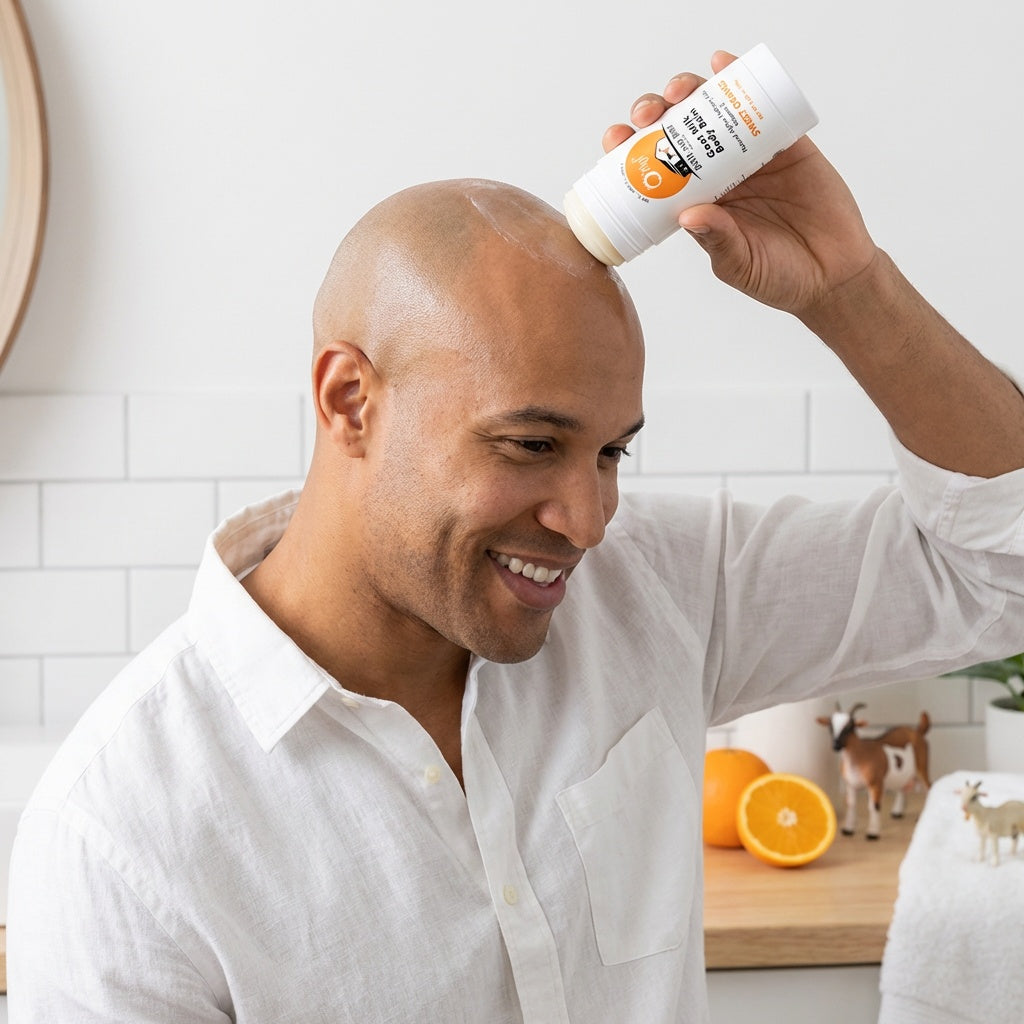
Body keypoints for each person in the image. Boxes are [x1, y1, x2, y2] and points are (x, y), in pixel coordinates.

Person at [7, 52, 1024, 1023]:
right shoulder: (119, 834)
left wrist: (850, 290)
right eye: (531, 444)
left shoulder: (652, 587)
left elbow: (998, 571)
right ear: (349, 399)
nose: (585, 520)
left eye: (611, 455)